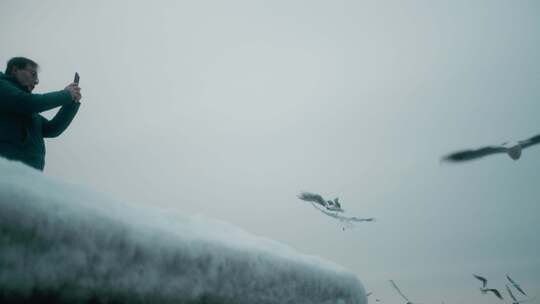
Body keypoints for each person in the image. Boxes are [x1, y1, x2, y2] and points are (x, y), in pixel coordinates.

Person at [0, 57, 82, 171]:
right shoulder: (3, 86)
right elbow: (29, 102)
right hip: (6, 172)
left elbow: (52, 129)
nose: (37, 81)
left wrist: (71, 103)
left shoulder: (26, 109)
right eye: (33, 74)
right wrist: (66, 95)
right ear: (15, 70)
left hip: (28, 176)